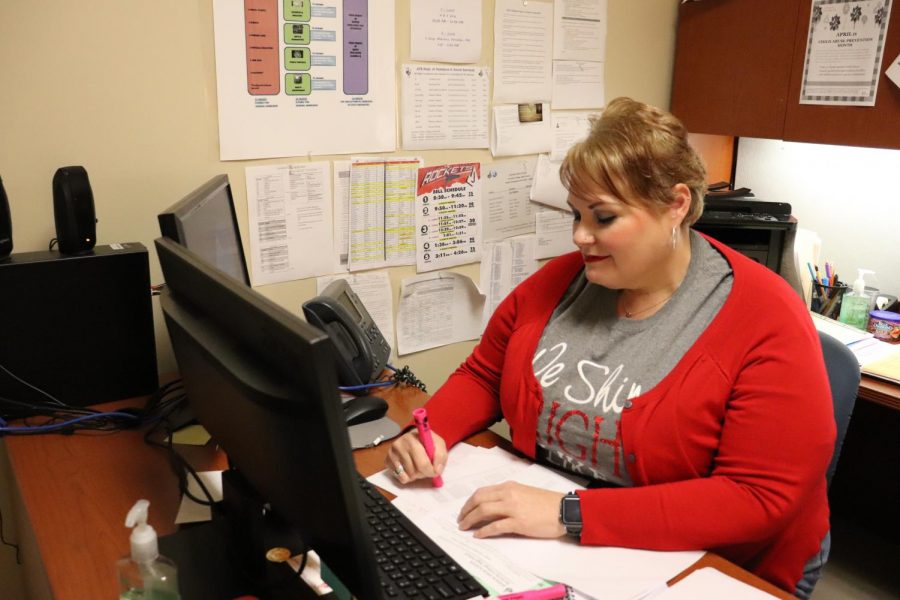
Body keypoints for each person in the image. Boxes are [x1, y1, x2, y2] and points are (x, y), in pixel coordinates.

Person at [385, 97, 835, 598]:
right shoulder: (559, 282)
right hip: (567, 544)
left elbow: (757, 497)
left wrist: (569, 514)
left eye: (603, 218)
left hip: (717, 565)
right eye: (576, 215)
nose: (580, 236)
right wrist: (430, 432)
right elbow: (485, 374)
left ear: (676, 205)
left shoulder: (765, 318)